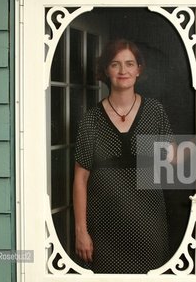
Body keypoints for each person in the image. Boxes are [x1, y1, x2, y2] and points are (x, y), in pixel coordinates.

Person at [73, 38, 173, 274]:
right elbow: (80, 178)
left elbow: (171, 157)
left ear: (139, 69)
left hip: (149, 224)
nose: (123, 70)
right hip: (105, 225)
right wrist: (81, 231)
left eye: (129, 64)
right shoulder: (91, 119)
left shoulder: (155, 111)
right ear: (106, 70)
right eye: (115, 64)